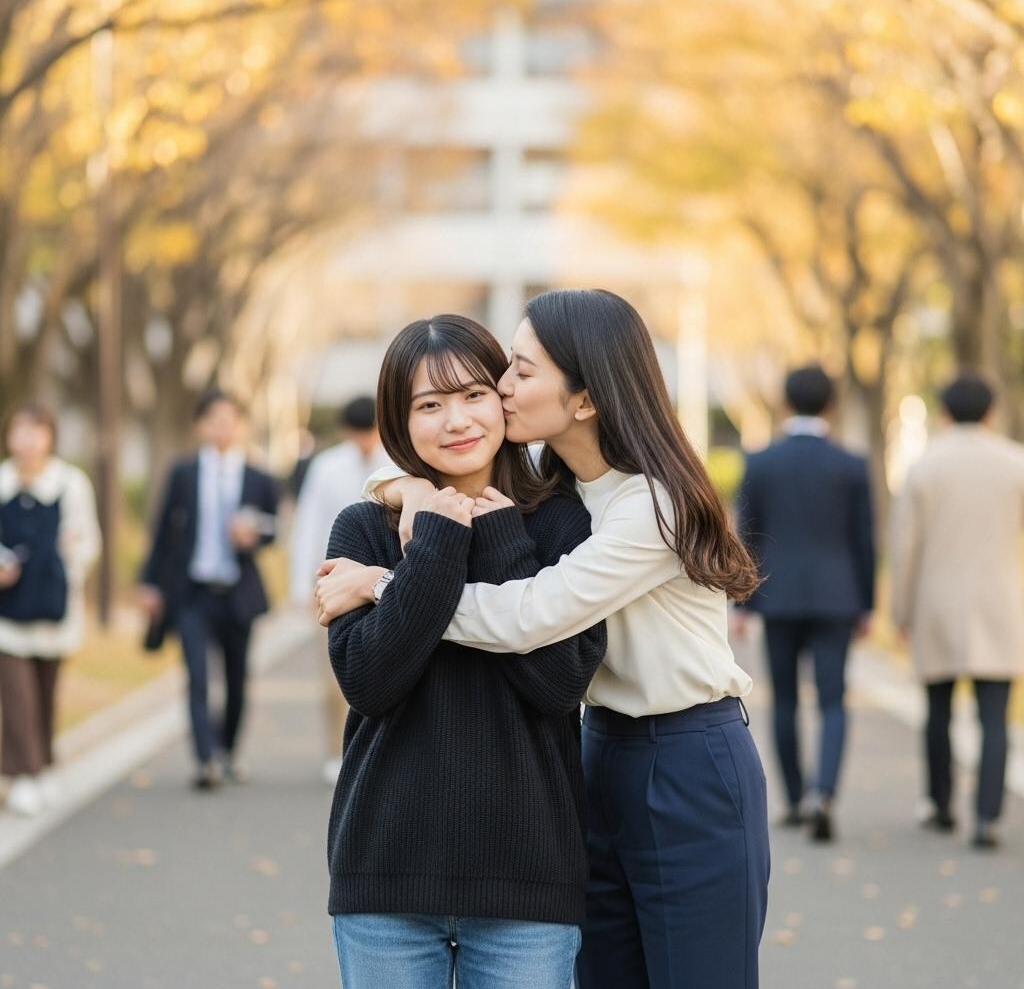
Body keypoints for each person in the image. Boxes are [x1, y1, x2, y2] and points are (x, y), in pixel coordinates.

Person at [317, 290, 770, 989]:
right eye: (504, 369)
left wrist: (385, 584)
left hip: (684, 754)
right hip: (601, 753)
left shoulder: (649, 507)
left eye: (517, 373)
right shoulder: (574, 492)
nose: (499, 389)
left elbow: (530, 619)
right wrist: (410, 489)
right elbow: (431, 462)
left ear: (583, 398)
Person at [322, 314, 606, 988]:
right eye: (429, 405)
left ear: (503, 397)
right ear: (400, 420)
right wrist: (436, 538)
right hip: (385, 876)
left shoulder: (562, 524)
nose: (456, 421)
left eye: (474, 395)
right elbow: (370, 681)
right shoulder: (365, 527)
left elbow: (559, 683)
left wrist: (500, 536)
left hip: (528, 883)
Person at [735, 365, 875, 843]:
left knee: (785, 700)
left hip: (777, 596)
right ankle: (824, 794)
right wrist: (867, 604)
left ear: (785, 403)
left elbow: (747, 536)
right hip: (838, 596)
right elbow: (864, 541)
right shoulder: (851, 465)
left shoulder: (762, 462)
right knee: (833, 700)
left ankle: (795, 799)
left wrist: (741, 602)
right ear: (831, 405)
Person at [891, 374, 1024, 850]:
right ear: (991, 412)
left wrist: (900, 611)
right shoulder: (1016, 463)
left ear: (944, 412)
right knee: (995, 715)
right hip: (1000, 601)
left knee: (938, 710)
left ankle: (941, 804)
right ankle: (988, 816)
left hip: (938, 601)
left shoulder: (924, 467)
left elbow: (904, 549)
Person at [138, 390, 278, 790]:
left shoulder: (258, 476)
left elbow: (273, 528)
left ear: (242, 426)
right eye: (214, 420)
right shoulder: (183, 473)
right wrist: (150, 582)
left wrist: (254, 536)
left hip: (238, 592)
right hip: (192, 592)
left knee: (237, 679)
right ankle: (205, 760)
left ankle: (227, 751)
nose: (222, 428)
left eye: (230, 420)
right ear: (200, 425)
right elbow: (162, 530)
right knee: (196, 676)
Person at [0, 402, 101, 817]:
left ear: (50, 437)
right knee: (16, 696)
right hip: (6, 613)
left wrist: (65, 562)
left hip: (54, 609)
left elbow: (88, 542)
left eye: (35, 430)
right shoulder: (2, 482)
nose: (27, 440)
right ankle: (23, 774)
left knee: (45, 694)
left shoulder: (70, 484)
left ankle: (42, 767)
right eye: (19, 430)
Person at [289, 396, 390, 784]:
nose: (364, 441)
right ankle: (338, 752)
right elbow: (308, 525)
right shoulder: (327, 467)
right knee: (336, 672)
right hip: (331, 582)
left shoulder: (396, 463)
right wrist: (301, 587)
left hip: (383, 578)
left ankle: (378, 753)